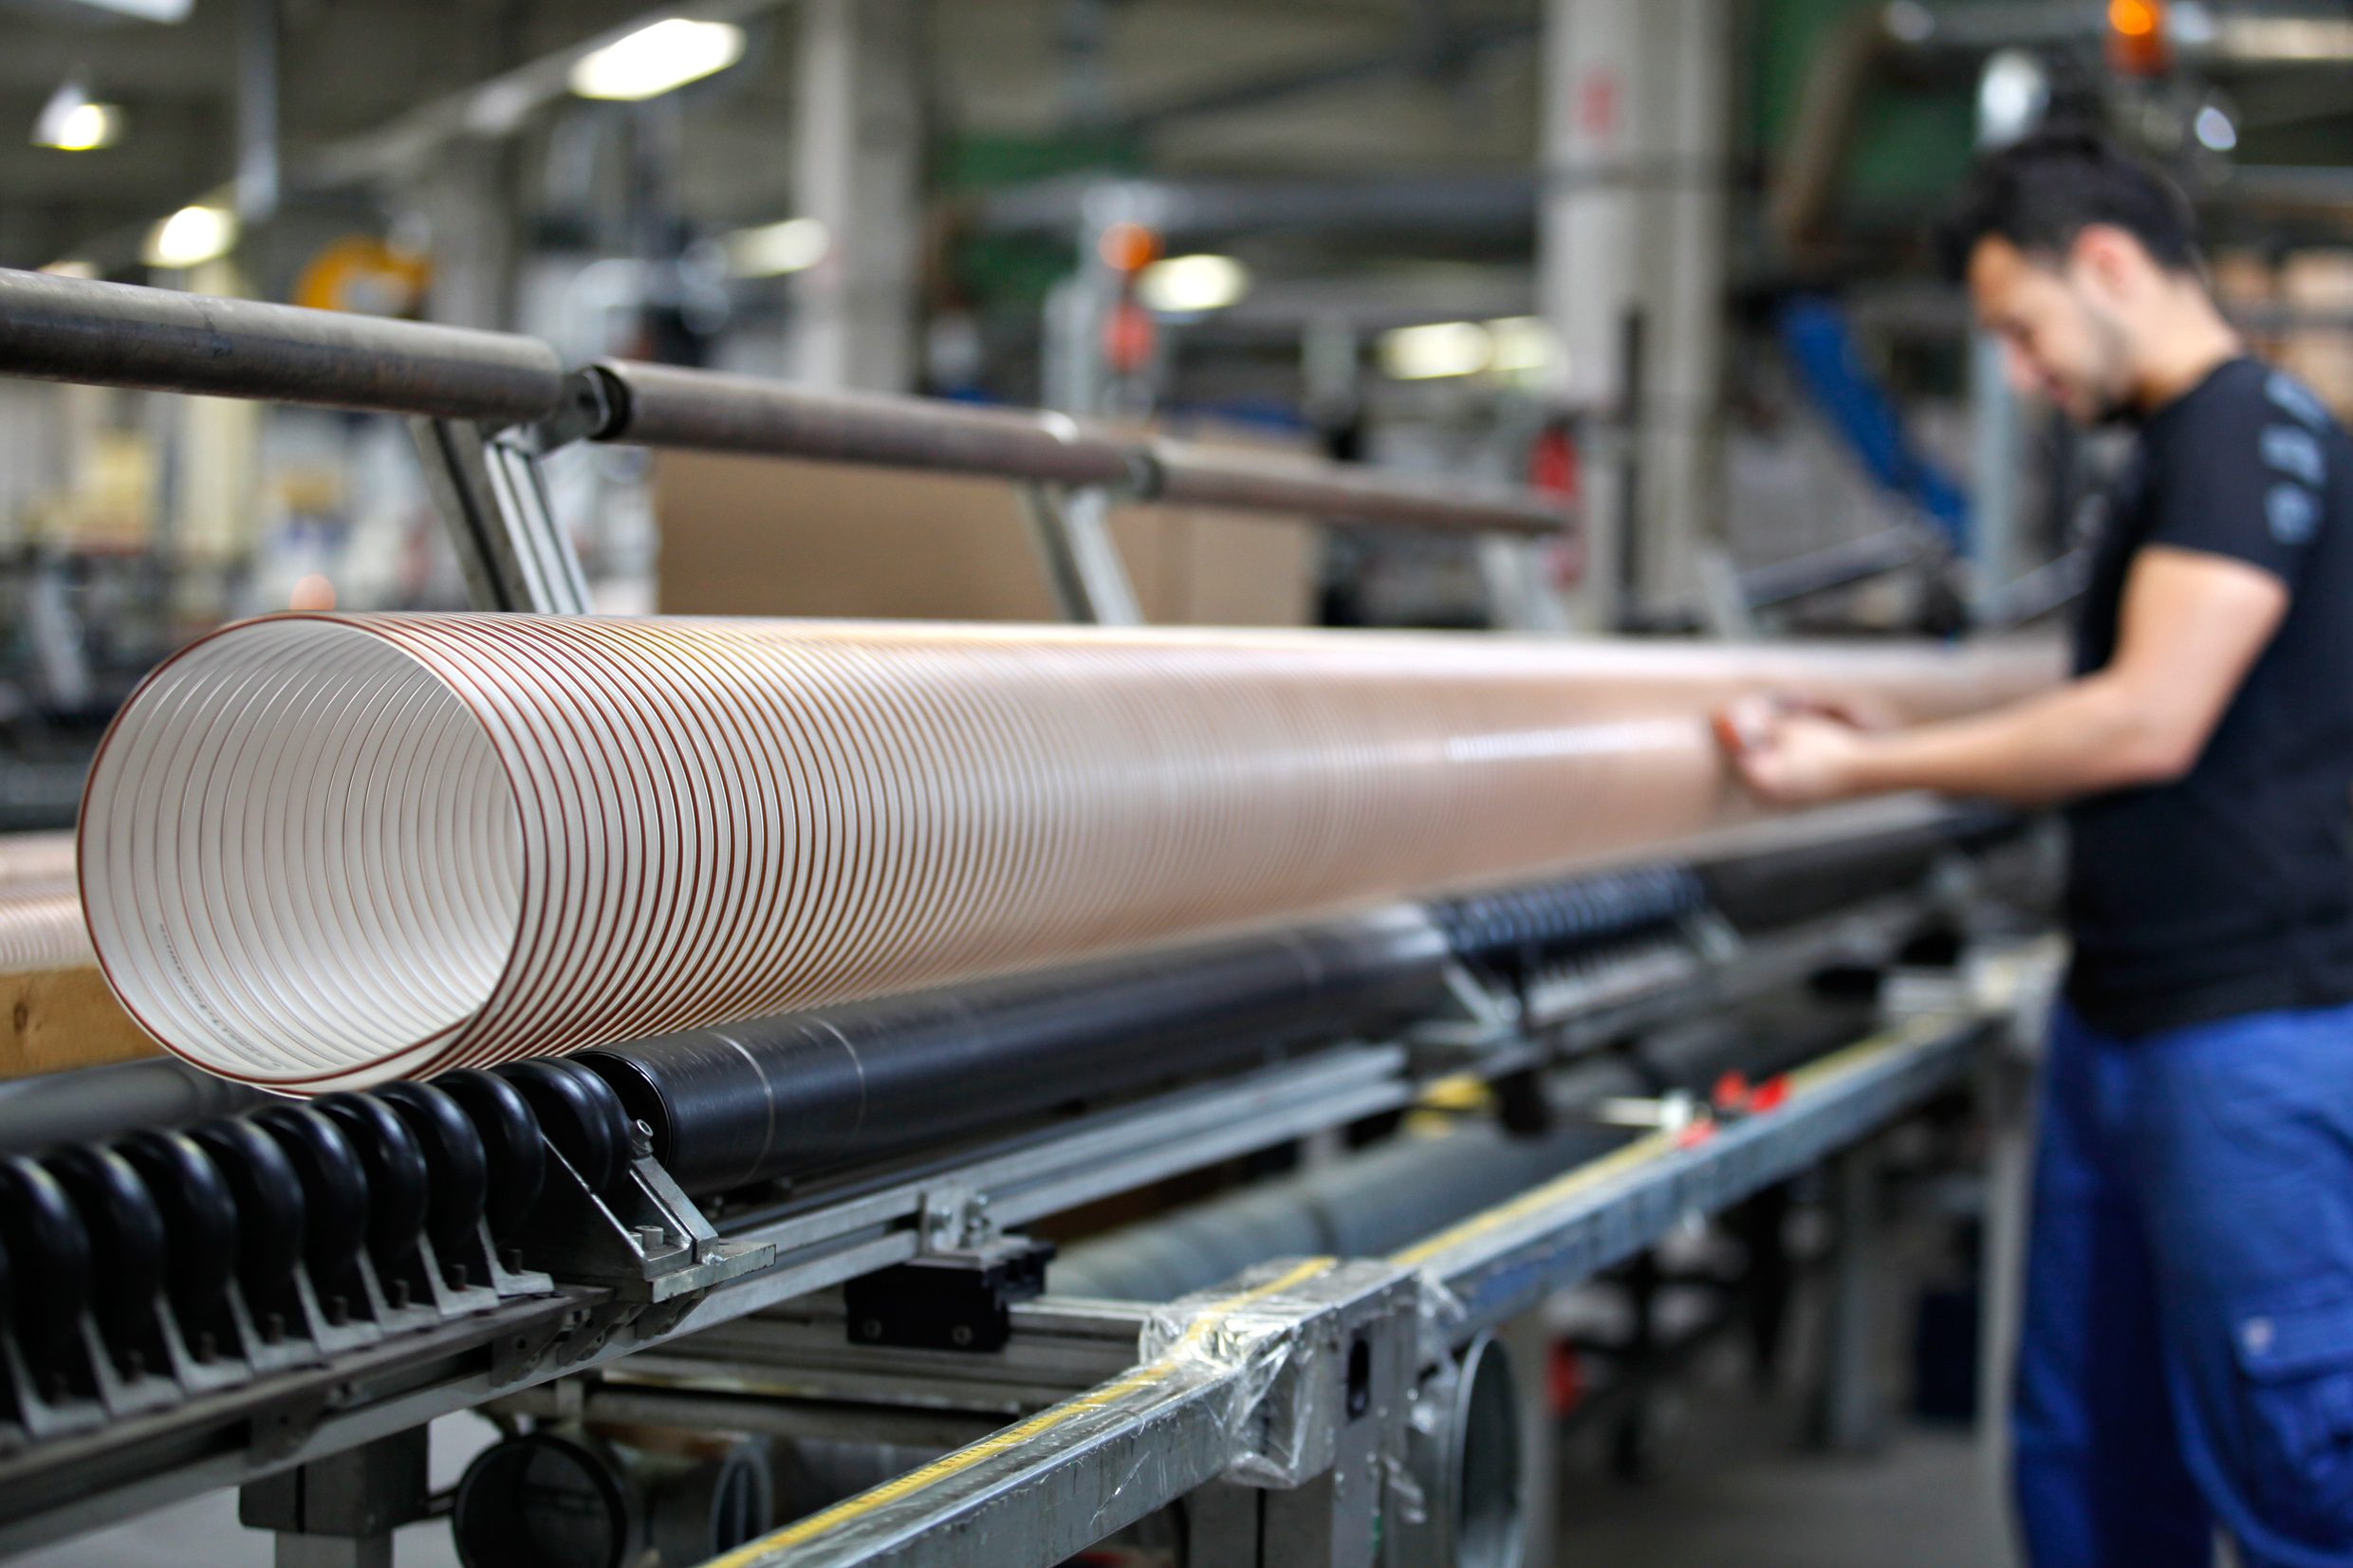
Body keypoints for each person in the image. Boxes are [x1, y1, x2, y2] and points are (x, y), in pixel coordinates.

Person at [1730, 126, 2353, 1568]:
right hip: (2125, 1017)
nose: (2019, 374)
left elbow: (2145, 718)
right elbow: (2089, 683)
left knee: (2296, 1467)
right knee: (2088, 1454)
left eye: (2021, 328)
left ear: (2114, 264)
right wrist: (1869, 697)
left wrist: (1856, 767)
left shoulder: (2243, 435)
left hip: (2244, 1035)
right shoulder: (2169, 457)